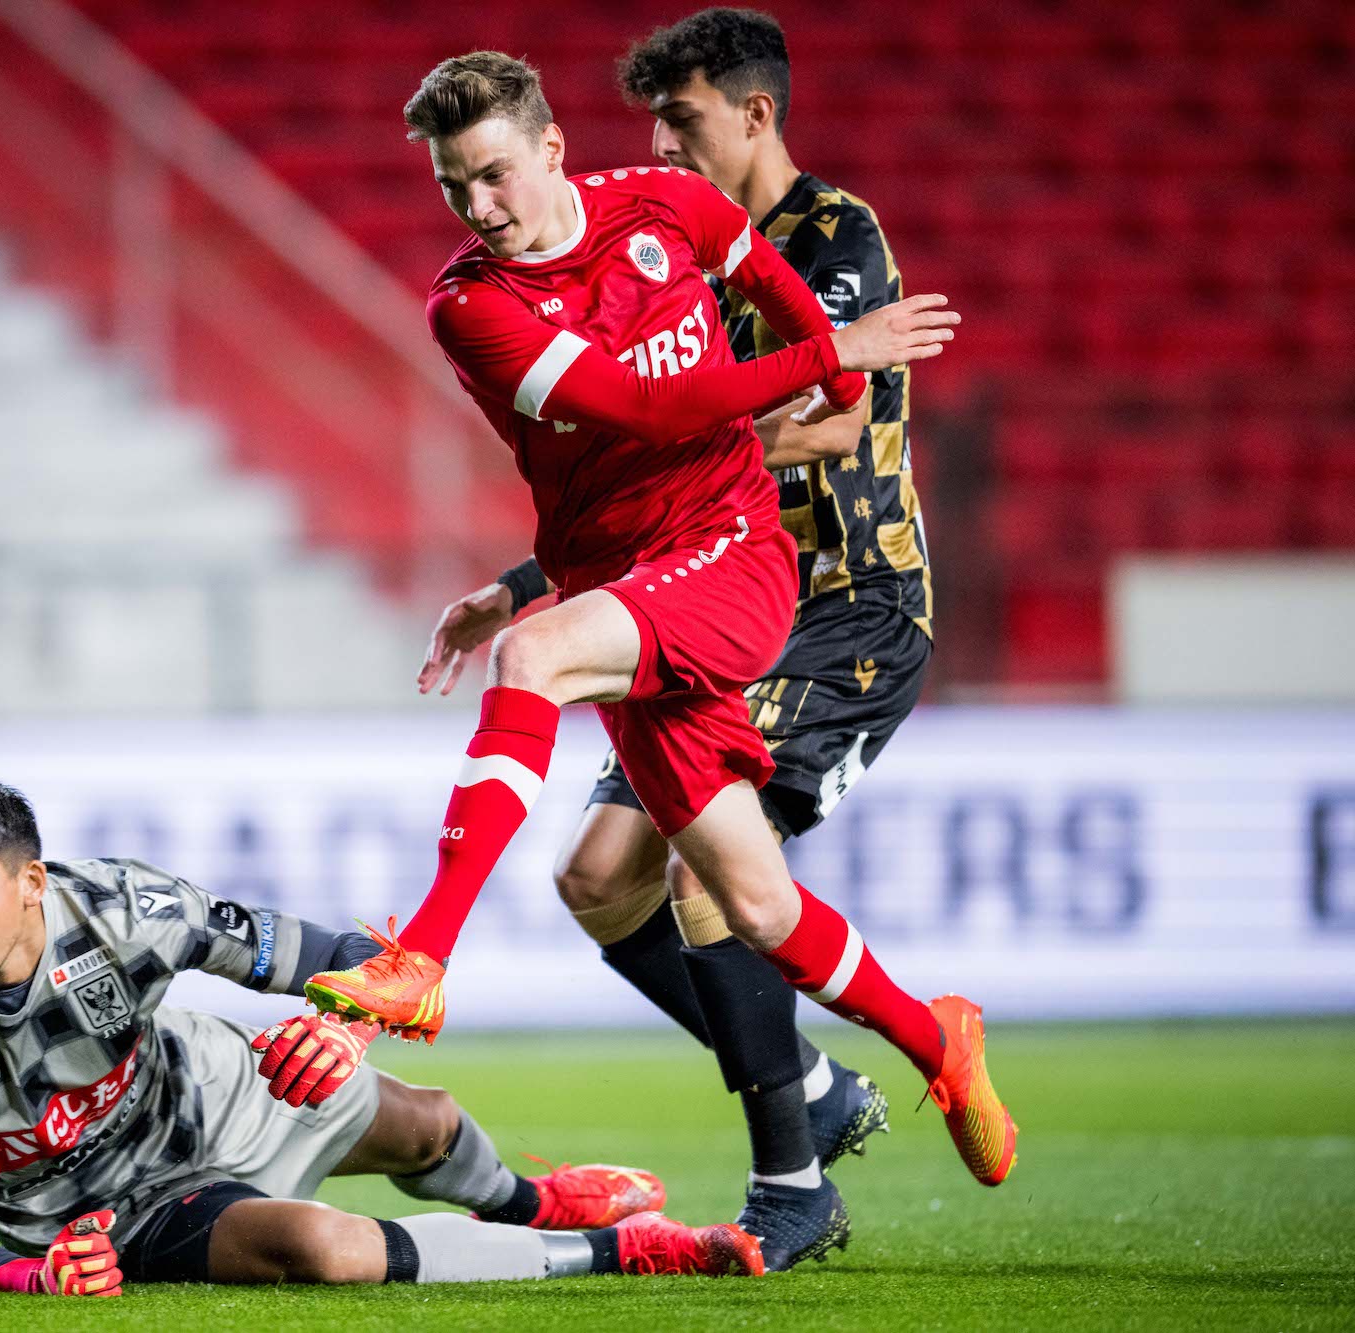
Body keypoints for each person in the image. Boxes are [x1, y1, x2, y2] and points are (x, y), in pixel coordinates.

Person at [287, 50, 1016, 1194]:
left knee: (535, 659)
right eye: (452, 189)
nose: (480, 209)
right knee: (753, 901)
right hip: (625, 585)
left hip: (732, 558)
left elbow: (779, 304)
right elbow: (640, 408)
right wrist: (832, 359)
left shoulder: (667, 207)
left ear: (549, 150)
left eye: (491, 176)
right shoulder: (468, 306)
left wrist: (830, 378)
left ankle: (418, 954)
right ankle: (939, 1041)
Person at [413, 9, 931, 1267]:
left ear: (752, 116)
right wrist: (525, 577)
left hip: (833, 604)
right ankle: (807, 1079)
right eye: (650, 124)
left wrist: (760, 385)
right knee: (597, 880)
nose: (659, 147)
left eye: (682, 122)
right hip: (679, 588)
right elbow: (646, 456)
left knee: (709, 878)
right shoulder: (642, 230)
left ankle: (791, 1178)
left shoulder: (832, 241)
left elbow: (808, 423)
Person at [0, 777, 764, 1297]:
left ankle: (527, 1201)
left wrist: (353, 1016)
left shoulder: (125, 906)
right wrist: (35, 1277)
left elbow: (329, 954)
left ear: (29, 881)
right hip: (106, 1212)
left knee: (431, 1123)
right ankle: (626, 1249)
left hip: (202, 1090)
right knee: (328, 1250)